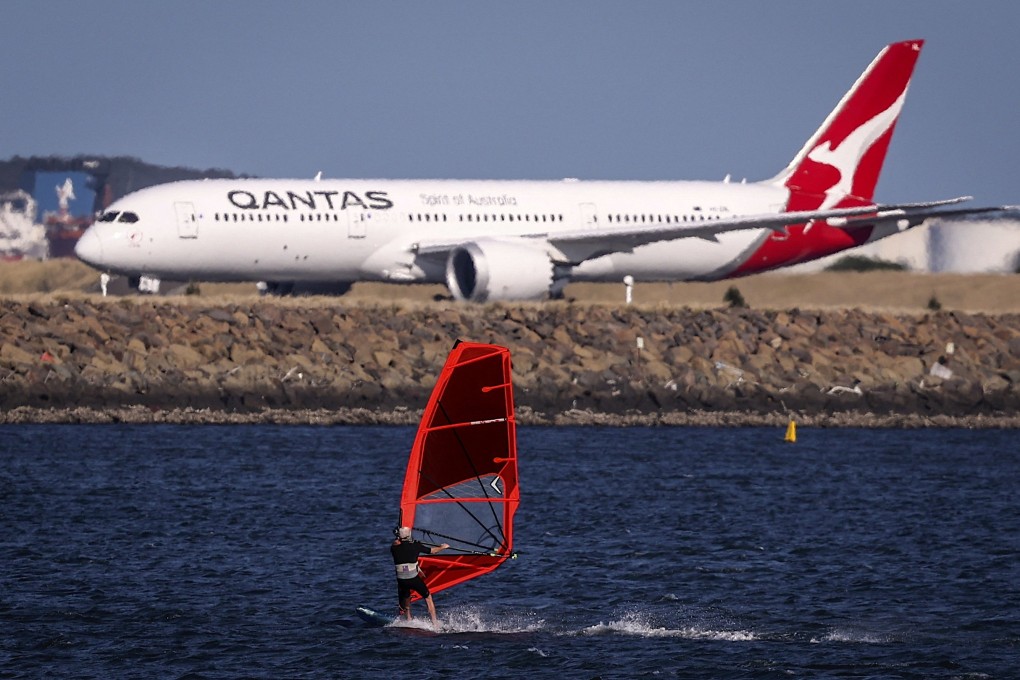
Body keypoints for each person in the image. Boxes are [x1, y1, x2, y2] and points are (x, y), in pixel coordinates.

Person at [390, 526, 449, 625]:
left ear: (399, 537)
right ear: (409, 536)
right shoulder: (416, 546)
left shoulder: (393, 548)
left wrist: (399, 536)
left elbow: (396, 542)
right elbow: (432, 551)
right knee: (428, 597)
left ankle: (408, 620)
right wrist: (442, 547)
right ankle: (435, 623)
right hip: (413, 579)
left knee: (406, 596)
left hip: (401, 580)